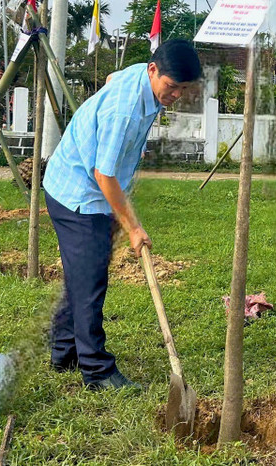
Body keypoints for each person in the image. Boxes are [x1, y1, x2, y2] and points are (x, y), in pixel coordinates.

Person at [42, 40, 202, 390]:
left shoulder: (140, 80)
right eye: (171, 86)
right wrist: (133, 227)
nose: (174, 95)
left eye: (182, 89)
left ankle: (62, 350)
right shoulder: (125, 111)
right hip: (79, 194)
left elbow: (114, 76)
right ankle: (97, 371)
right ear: (153, 70)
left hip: (81, 187)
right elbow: (104, 175)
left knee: (83, 275)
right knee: (90, 284)